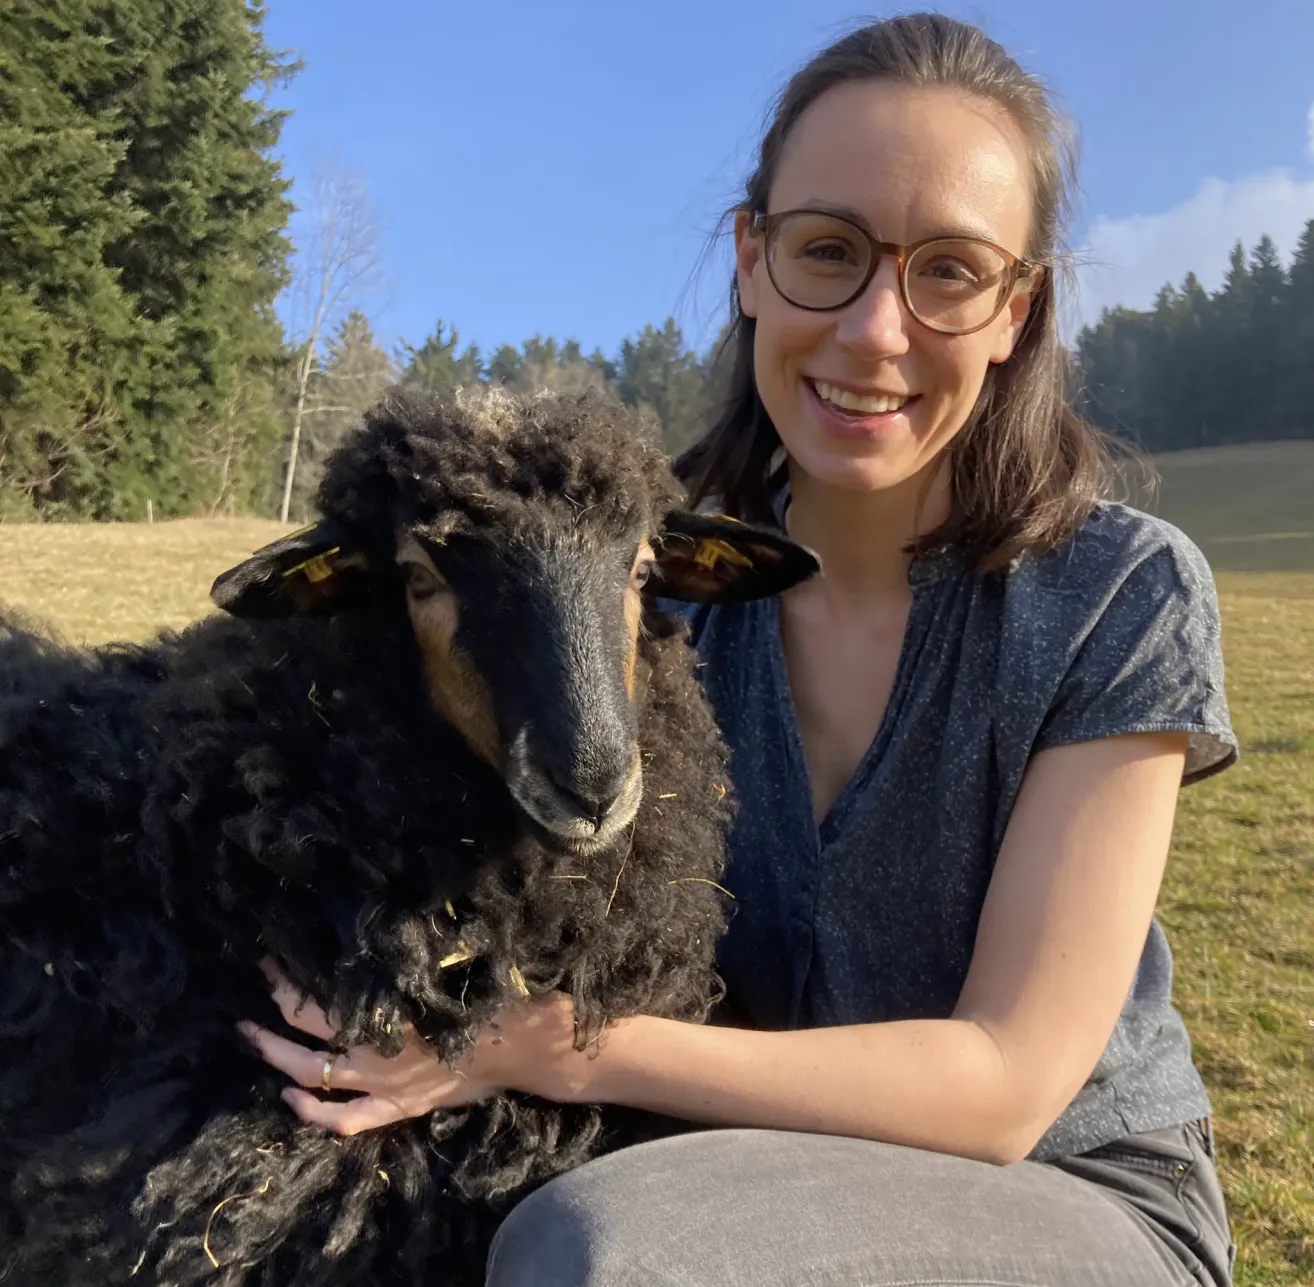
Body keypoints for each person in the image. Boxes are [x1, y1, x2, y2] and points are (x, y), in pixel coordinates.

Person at [239, 13, 1240, 1286]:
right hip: (732, 1150)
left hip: (1064, 1189)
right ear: (750, 258)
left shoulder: (1120, 595)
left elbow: (1003, 1087)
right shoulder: (639, 597)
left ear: (1016, 309)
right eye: (829, 250)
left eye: (949, 270)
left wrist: (530, 1047)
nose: (878, 329)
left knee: (599, 1254)